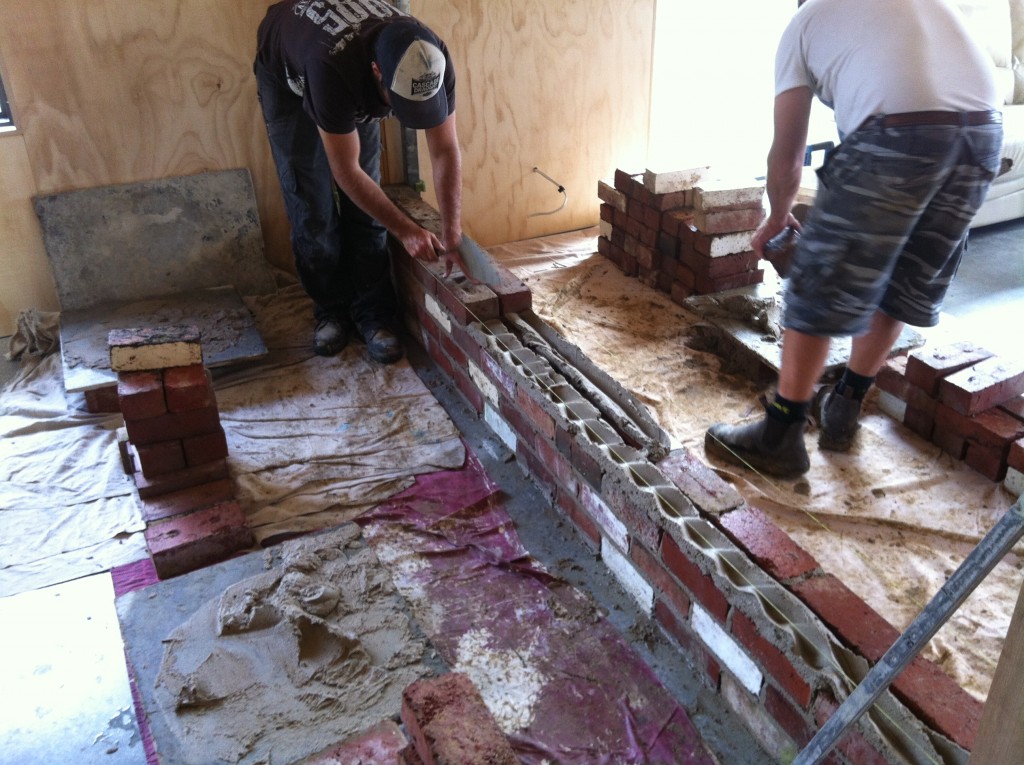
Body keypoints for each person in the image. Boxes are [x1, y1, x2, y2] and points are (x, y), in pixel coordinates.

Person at [705, 0, 1005, 477]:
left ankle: (779, 435)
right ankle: (844, 409)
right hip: (985, 135)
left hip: (902, 134)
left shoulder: (803, 24)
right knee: (899, 277)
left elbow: (788, 155)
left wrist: (777, 218)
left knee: (816, 278)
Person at [254, 0, 466, 363]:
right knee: (311, 204)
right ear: (377, 72)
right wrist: (407, 230)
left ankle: (373, 313)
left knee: (369, 208)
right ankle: (331, 309)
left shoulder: (434, 60)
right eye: (398, 105)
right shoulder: (333, 69)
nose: (403, 117)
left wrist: (452, 231)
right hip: (291, 75)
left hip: (349, 73)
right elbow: (346, 172)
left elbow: (445, 150)